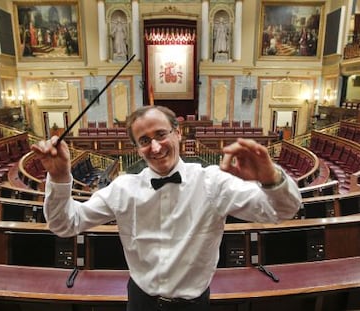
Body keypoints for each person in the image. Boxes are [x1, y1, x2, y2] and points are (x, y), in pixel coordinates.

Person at [32, 105, 301, 311]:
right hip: (140, 302)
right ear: (137, 148)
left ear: (178, 133)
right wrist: (58, 178)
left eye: (161, 134)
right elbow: (65, 224)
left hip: (193, 305)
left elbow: (281, 211)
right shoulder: (123, 187)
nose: (156, 147)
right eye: (144, 140)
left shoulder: (213, 182)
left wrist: (270, 177)